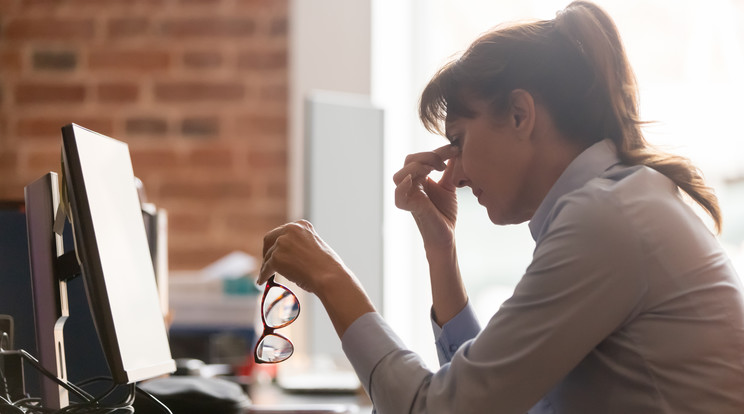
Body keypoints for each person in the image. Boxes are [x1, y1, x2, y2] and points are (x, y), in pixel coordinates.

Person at [258, 1, 744, 413]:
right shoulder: (618, 201)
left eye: (459, 143)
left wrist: (332, 281)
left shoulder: (607, 221)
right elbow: (502, 397)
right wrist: (440, 250)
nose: (457, 173)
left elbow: (442, 409)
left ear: (520, 115)